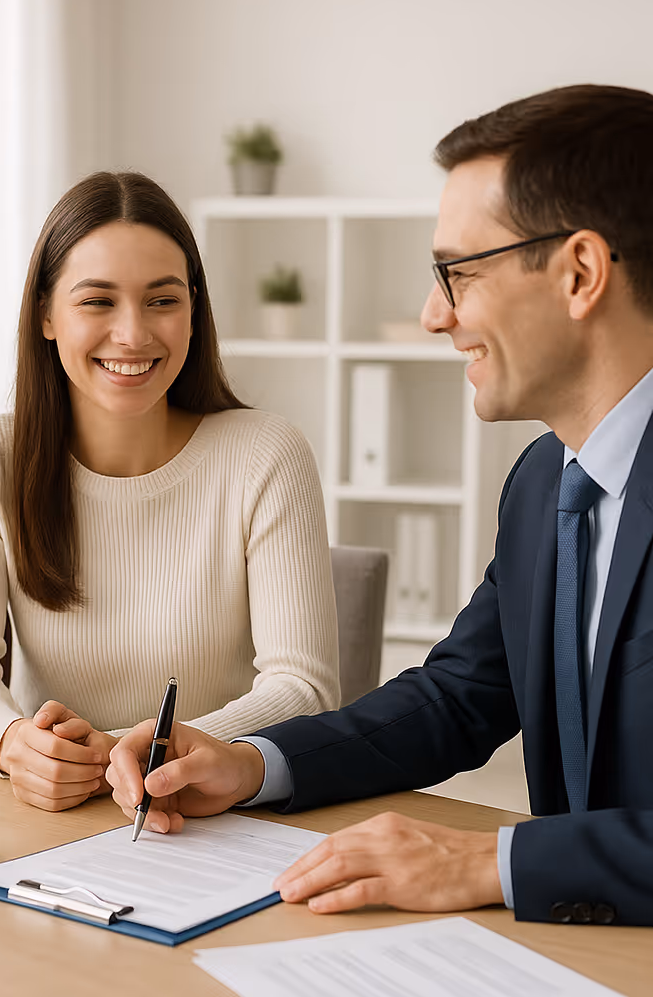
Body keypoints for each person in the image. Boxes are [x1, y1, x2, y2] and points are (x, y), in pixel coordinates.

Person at [108, 84, 653, 927]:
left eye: (459, 273)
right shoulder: (547, 480)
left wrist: (492, 860)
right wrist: (250, 765)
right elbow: (458, 697)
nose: (435, 315)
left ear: (580, 273)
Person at [0, 171, 339, 812]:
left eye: (162, 300)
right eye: (97, 301)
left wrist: (136, 753)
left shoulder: (266, 454)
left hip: (211, 813)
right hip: (50, 812)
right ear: (46, 314)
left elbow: (304, 686)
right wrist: (13, 745)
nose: (133, 334)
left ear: (194, 312)